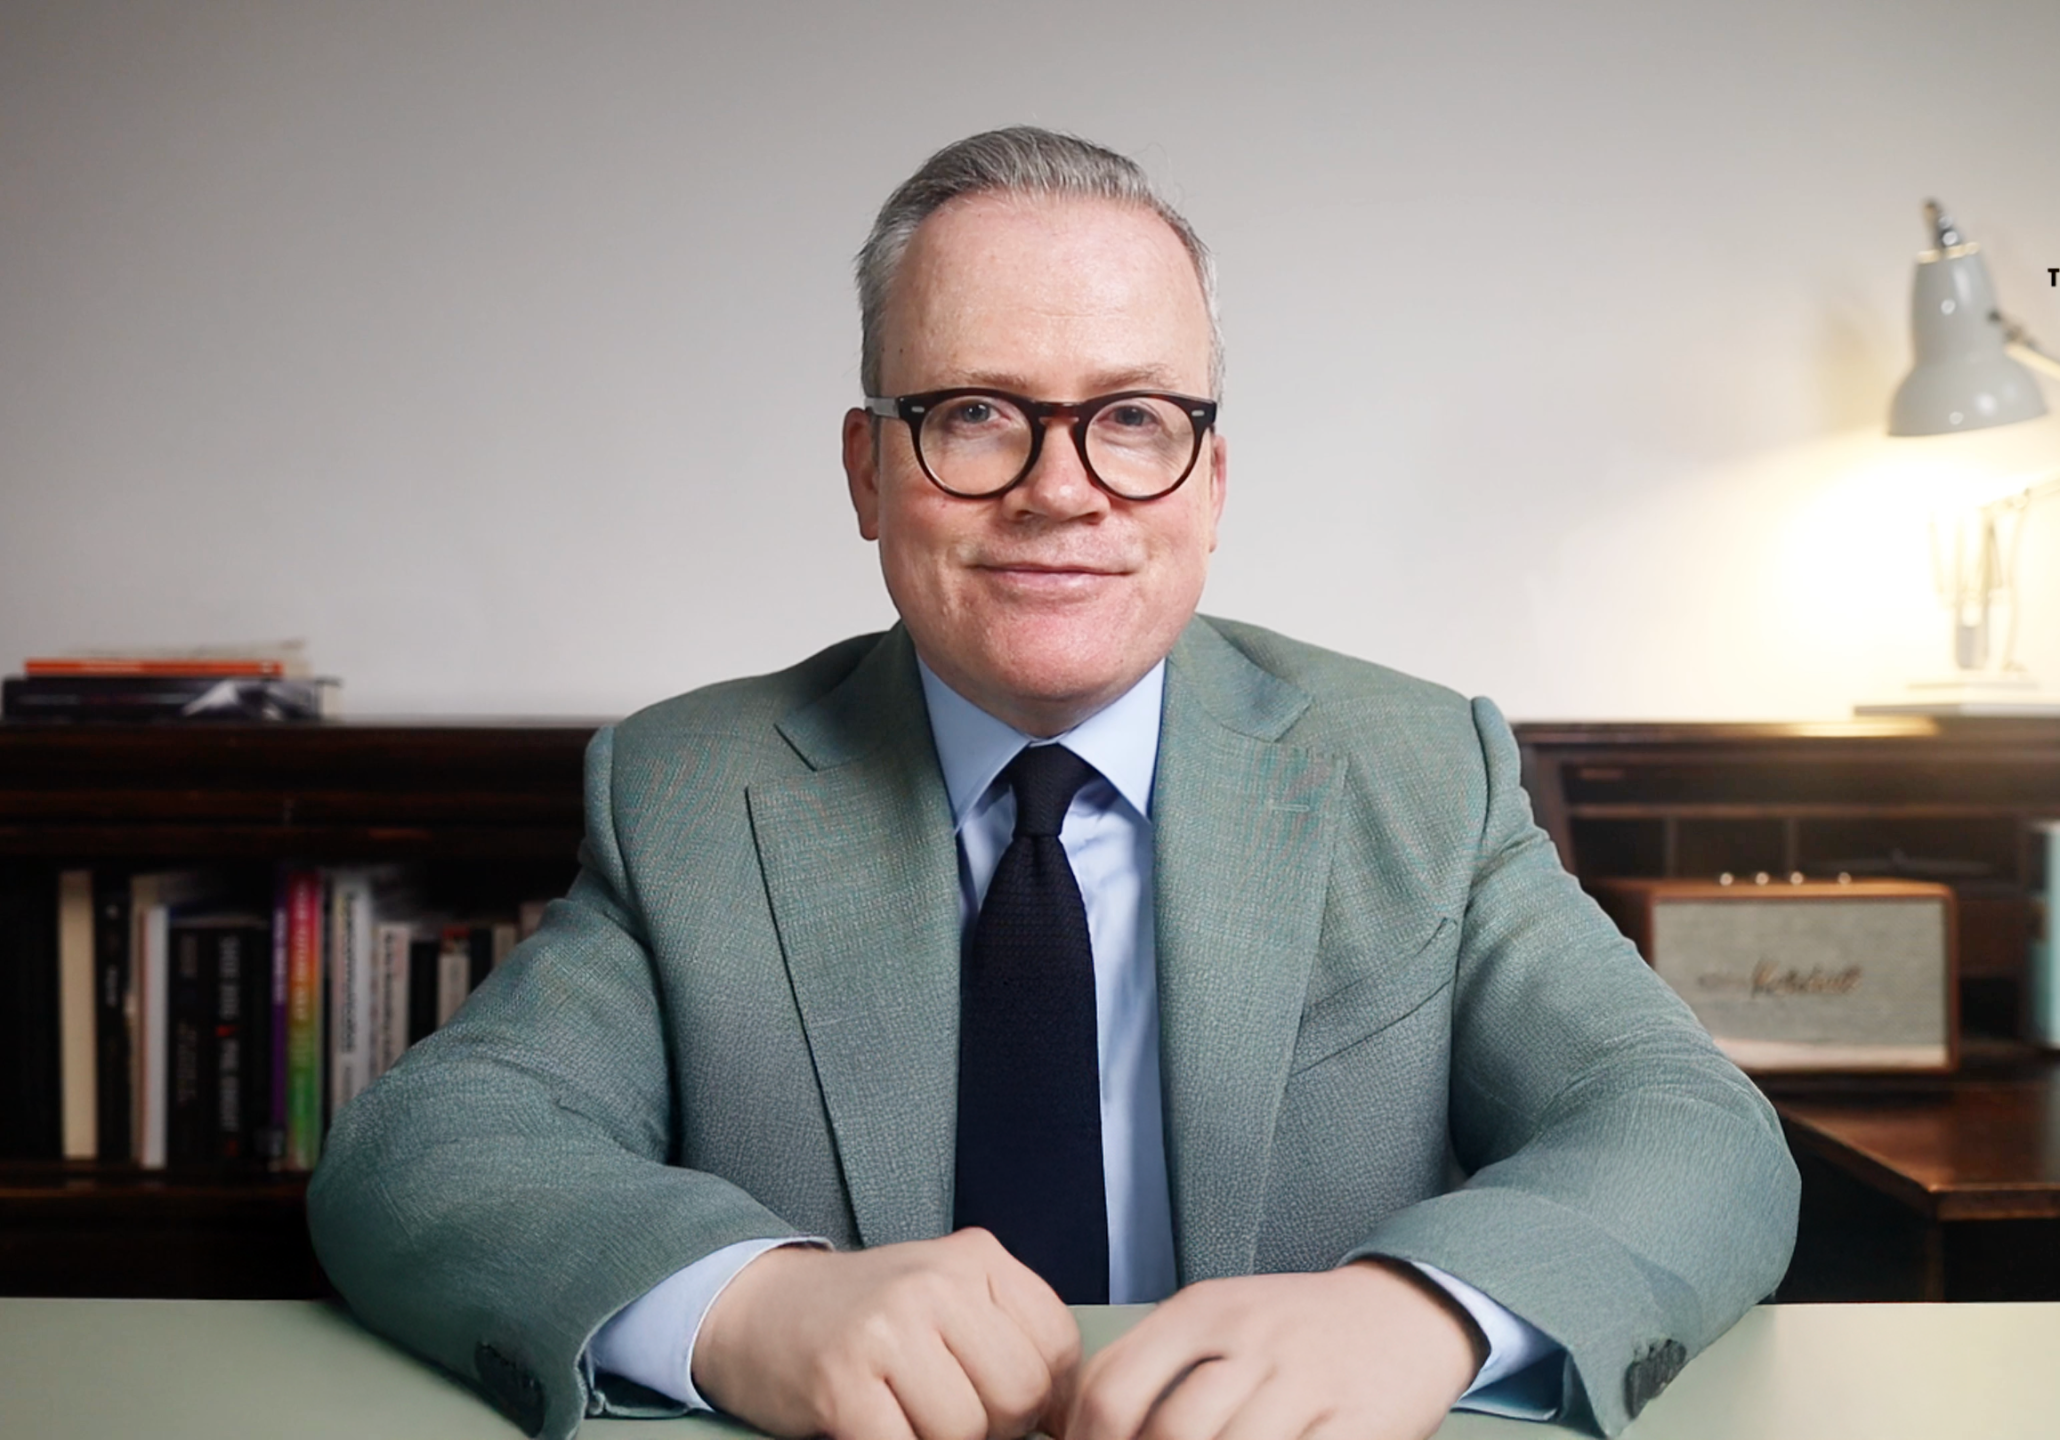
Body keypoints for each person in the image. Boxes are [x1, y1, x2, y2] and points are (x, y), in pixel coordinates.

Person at [308, 128, 1798, 1440]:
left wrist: (1423, 1312)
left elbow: (1688, 1127)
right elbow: (430, 1151)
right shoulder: (691, 794)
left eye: (1135, 416)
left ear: (1212, 483)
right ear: (868, 473)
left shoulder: (1418, 773)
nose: (1062, 489)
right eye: (975, 412)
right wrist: (748, 1303)